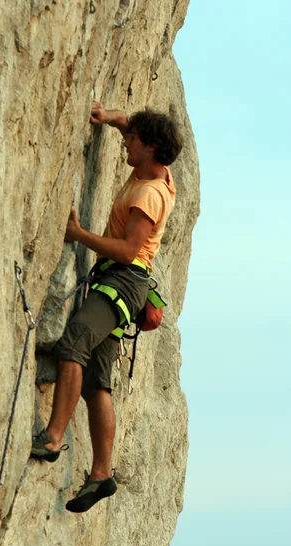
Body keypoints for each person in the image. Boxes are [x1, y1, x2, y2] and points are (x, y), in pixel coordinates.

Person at [31, 100, 183, 513]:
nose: (125, 144)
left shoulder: (150, 194)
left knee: (74, 342)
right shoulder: (153, 171)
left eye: (132, 140)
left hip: (122, 280)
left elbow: (129, 249)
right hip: (124, 283)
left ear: (150, 147)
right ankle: (100, 474)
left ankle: (53, 438)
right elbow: (132, 126)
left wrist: (78, 234)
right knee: (97, 381)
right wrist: (110, 117)